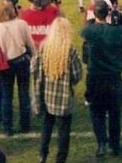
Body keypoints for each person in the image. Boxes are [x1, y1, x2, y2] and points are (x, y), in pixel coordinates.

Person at [81, 0, 122, 157]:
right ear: (108, 12)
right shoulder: (118, 31)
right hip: (113, 77)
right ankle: (114, 145)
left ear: (94, 13)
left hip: (95, 77)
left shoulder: (89, 30)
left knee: (97, 112)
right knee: (114, 113)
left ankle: (101, 144)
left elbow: (85, 39)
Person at [32, 17, 82, 163]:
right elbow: (77, 74)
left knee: (47, 126)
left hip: (47, 97)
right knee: (63, 130)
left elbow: (35, 69)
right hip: (64, 98)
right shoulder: (70, 51)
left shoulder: (43, 48)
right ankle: (61, 158)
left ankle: (42, 154)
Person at [0, 0, 35, 136]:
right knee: (23, 93)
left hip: (5, 65)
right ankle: (25, 124)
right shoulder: (22, 24)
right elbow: (30, 44)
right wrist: (33, 57)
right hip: (21, 61)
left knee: (6, 96)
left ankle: (7, 127)